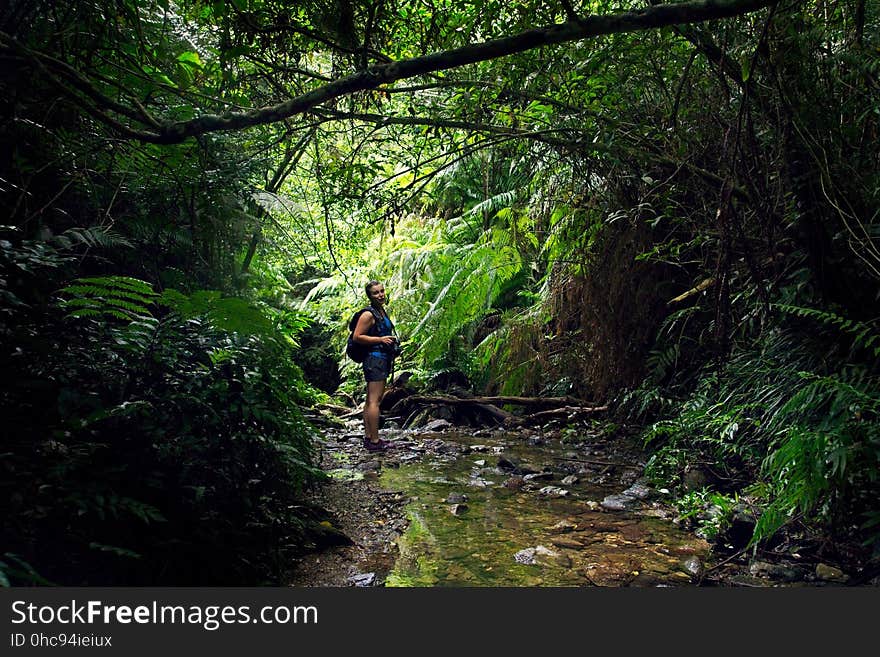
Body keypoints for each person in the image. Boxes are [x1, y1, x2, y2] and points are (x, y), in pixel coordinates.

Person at [352, 280, 399, 451]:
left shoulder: (380, 311)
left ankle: (368, 437)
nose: (380, 295)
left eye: (382, 291)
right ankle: (375, 441)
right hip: (375, 360)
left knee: (370, 400)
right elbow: (357, 336)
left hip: (380, 359)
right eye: (376, 293)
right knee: (374, 401)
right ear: (369, 296)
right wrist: (380, 340)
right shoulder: (368, 315)